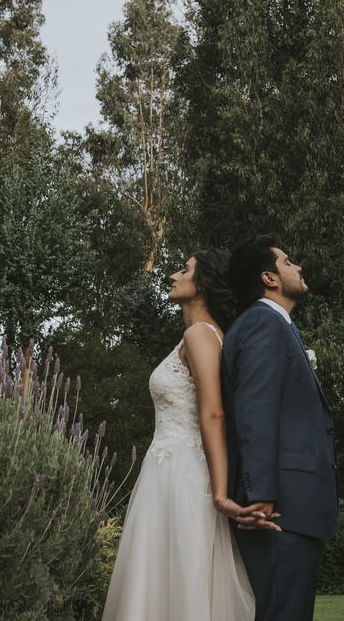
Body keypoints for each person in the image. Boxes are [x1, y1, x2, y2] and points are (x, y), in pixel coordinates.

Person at [102, 249, 268, 621]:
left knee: (182, 580)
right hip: (164, 472)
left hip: (185, 476)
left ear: (202, 286)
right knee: (163, 581)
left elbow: (214, 413)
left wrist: (221, 495)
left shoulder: (200, 335)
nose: (174, 275)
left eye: (185, 270)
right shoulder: (196, 335)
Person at [220, 234, 338, 621]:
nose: (298, 266)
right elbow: (256, 409)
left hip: (286, 506)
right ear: (269, 278)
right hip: (278, 508)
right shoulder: (262, 323)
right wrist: (262, 493)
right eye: (288, 262)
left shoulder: (273, 326)